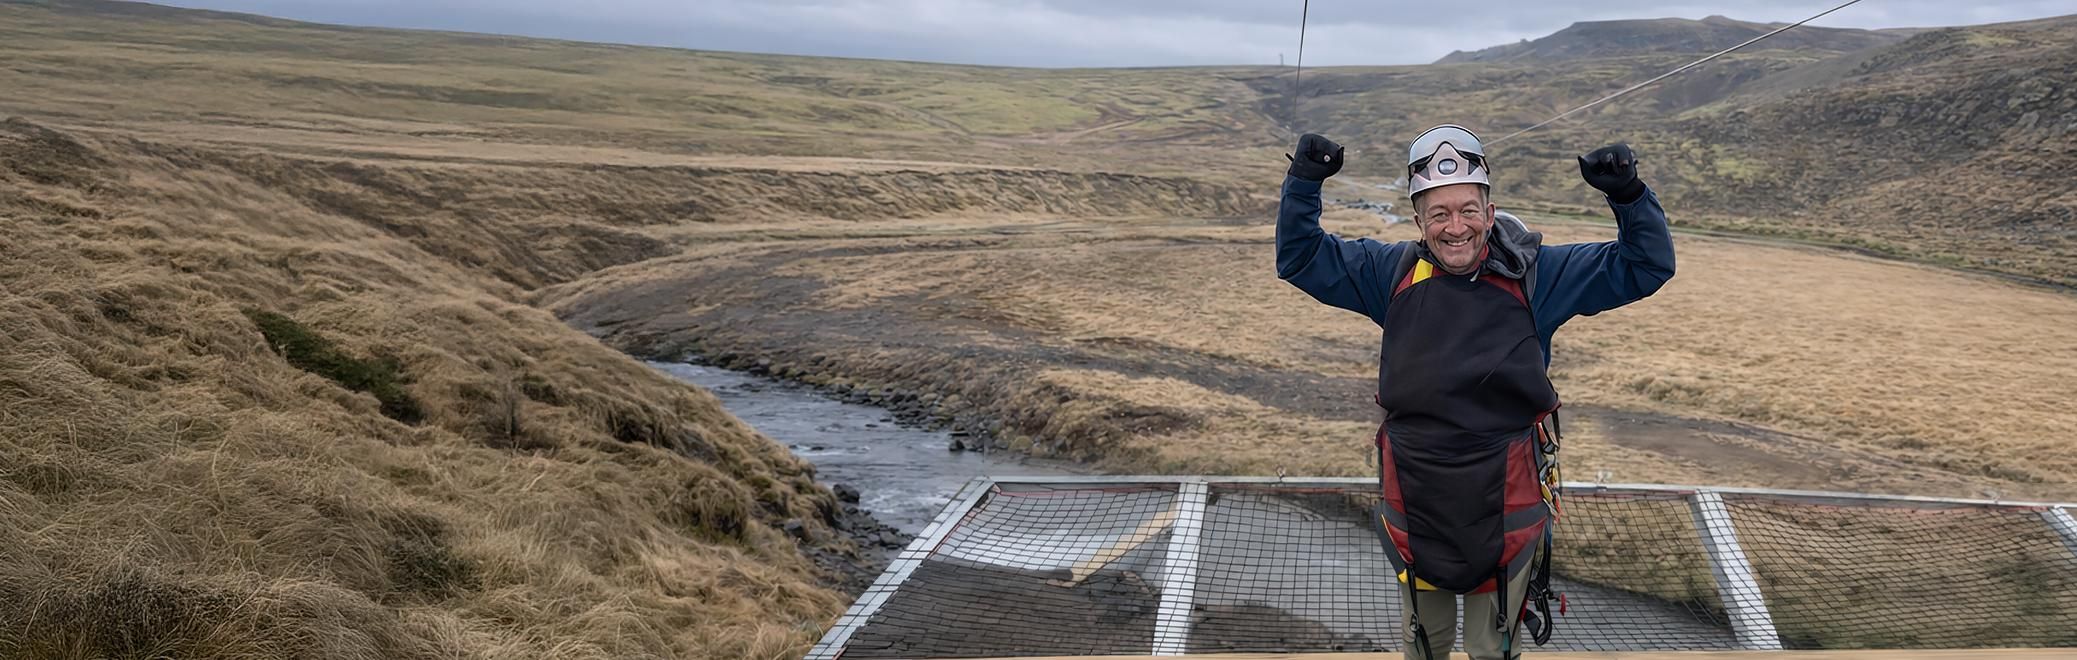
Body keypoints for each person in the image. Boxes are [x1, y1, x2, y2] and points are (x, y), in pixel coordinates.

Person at [1275, 125, 1676, 659]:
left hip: (1508, 490)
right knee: (1425, 644)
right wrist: (1304, 184)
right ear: (1419, 221)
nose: (1455, 226)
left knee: (1491, 648)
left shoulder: (1539, 276)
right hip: (1415, 491)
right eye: (1438, 214)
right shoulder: (1389, 273)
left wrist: (1627, 196)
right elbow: (1300, 258)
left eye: (1468, 210)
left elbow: (1646, 266)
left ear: (1490, 213)